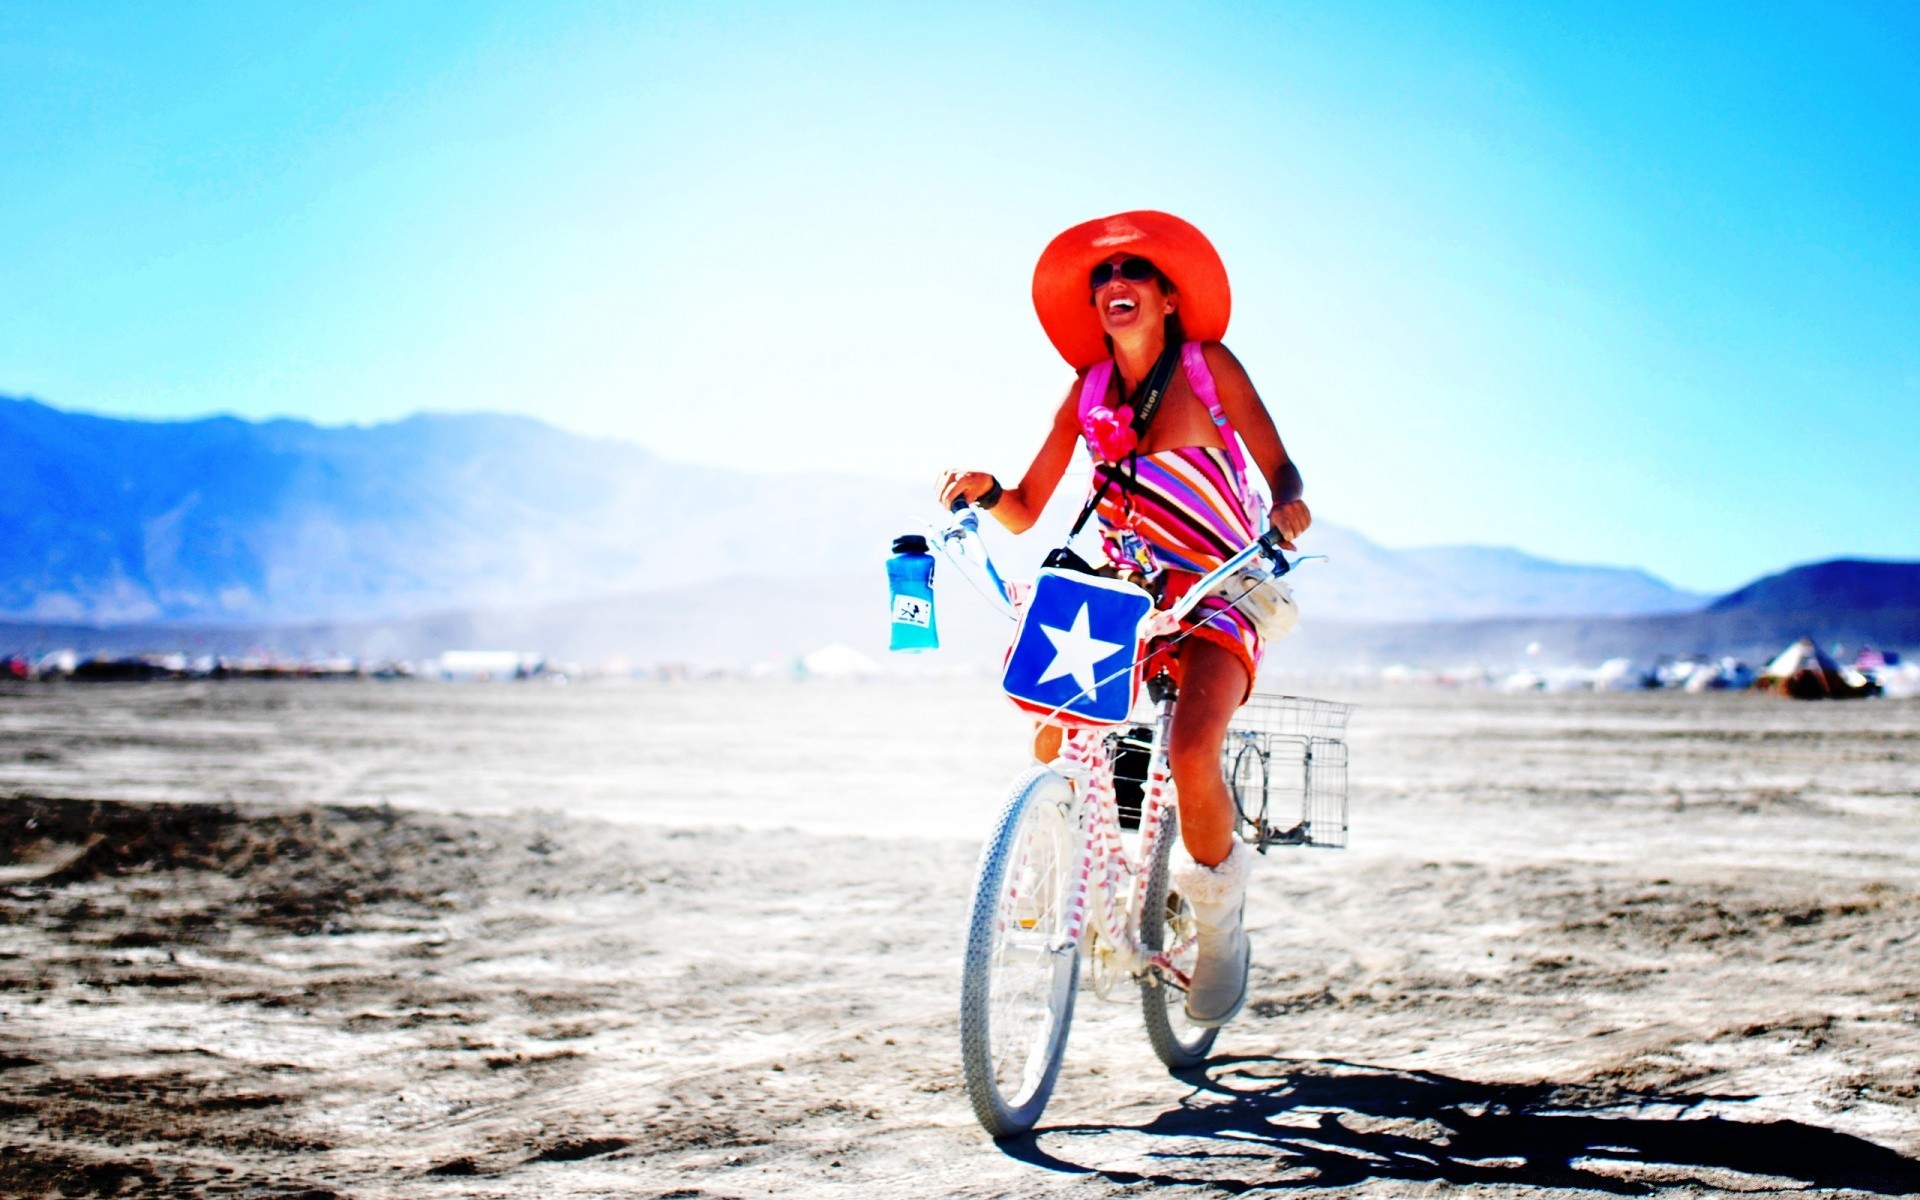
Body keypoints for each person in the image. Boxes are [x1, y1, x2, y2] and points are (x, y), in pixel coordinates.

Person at [937, 211, 1309, 1028]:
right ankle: (1055, 849)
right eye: (1103, 279)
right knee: (1051, 724)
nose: (1114, 288)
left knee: (1189, 745)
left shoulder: (1209, 369)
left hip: (1219, 586)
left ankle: (1218, 929)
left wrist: (1286, 505)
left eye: (1133, 275)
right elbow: (1029, 508)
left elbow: (1279, 462)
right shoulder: (1087, 391)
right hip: (1127, 593)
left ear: (1169, 298)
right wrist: (986, 491)